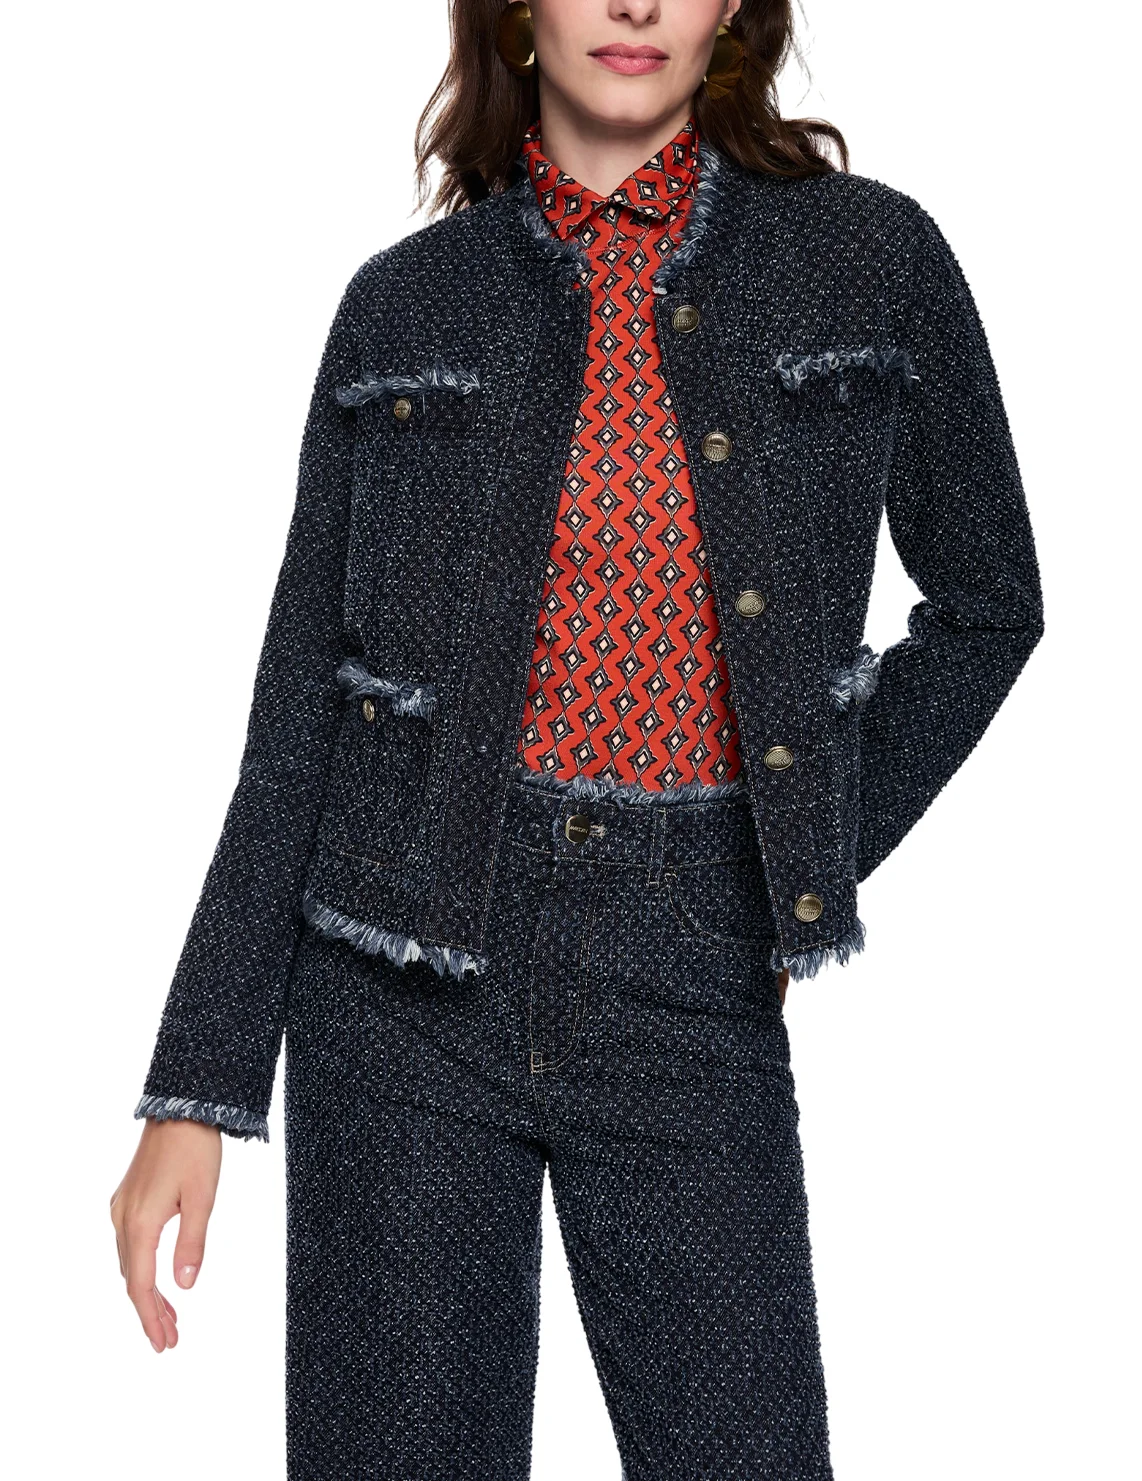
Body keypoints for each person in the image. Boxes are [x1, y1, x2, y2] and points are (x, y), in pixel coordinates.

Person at [110, 1, 1043, 1475]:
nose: (632, 6)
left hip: (690, 966)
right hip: (393, 987)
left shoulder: (869, 258)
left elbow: (991, 604)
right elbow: (299, 703)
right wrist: (197, 1086)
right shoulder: (404, 305)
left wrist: (793, 854)